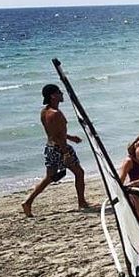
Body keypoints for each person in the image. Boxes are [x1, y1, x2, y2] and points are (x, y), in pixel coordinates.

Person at [22, 84, 89, 216]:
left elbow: (53, 133)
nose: (62, 94)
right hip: (60, 148)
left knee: (49, 177)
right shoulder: (56, 114)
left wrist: (70, 137)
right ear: (53, 96)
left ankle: (28, 202)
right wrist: (65, 152)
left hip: (51, 148)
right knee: (79, 173)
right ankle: (82, 202)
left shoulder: (44, 112)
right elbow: (58, 136)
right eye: (59, 92)